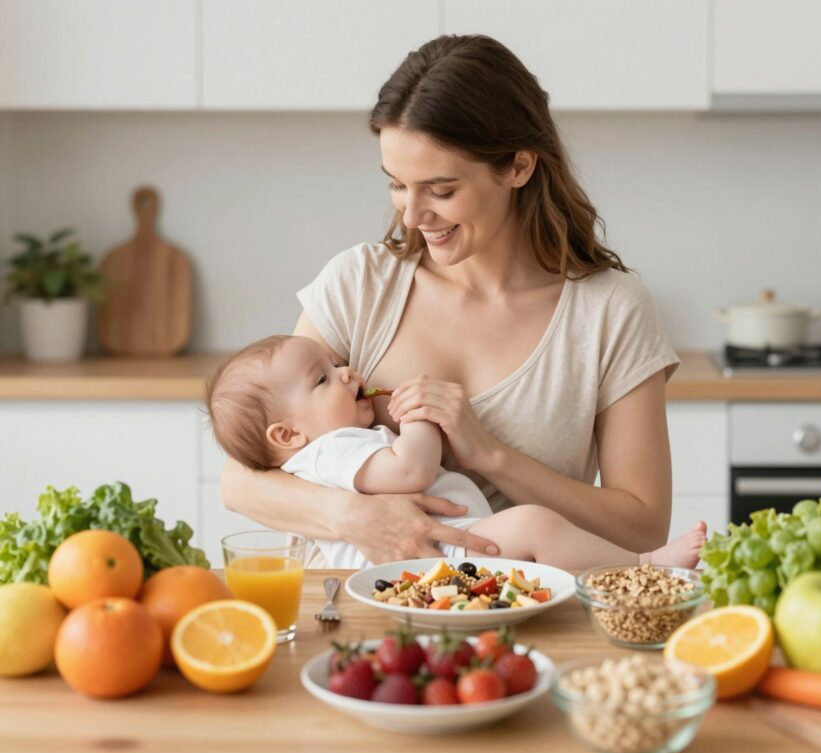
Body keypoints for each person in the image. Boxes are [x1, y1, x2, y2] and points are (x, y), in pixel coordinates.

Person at [221, 34, 701, 563]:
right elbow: (242, 479)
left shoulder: (611, 312)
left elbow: (643, 530)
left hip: (532, 617)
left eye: (441, 191)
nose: (410, 216)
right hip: (357, 616)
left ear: (519, 166)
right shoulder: (359, 285)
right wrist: (363, 520)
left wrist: (491, 454)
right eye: (397, 185)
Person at [206, 334, 706, 569]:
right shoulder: (327, 453)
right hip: (431, 555)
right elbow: (412, 470)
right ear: (288, 436)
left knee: (534, 536)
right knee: (532, 526)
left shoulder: (333, 443)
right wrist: (419, 416)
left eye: (336, 364)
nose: (346, 373)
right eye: (323, 378)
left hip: (444, 551)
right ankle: (643, 566)